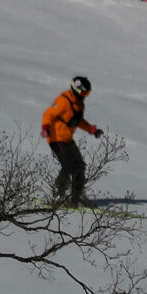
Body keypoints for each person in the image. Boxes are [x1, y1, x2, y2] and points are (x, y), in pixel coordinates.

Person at [41, 75, 103, 206]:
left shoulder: (79, 104)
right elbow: (48, 114)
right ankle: (57, 196)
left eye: (87, 93)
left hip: (67, 139)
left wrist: (91, 129)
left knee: (80, 166)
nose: (85, 96)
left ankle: (76, 197)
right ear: (77, 89)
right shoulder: (64, 101)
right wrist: (45, 128)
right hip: (56, 138)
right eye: (84, 92)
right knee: (68, 165)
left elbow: (78, 121)